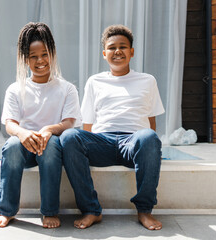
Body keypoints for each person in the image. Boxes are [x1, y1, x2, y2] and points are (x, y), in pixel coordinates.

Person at [60, 24, 165, 230]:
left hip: (133, 142)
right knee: (69, 136)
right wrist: (82, 149)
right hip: (102, 142)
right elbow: (87, 123)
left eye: (123, 47)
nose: (117, 51)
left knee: (149, 137)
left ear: (132, 52)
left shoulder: (147, 80)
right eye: (112, 47)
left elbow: (151, 122)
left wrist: (150, 150)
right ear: (104, 53)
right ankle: (91, 210)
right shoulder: (94, 81)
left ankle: (144, 210)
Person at [0, 22, 81, 229]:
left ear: (53, 53)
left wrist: (49, 130)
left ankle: (49, 211)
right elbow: (10, 124)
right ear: (25, 59)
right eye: (33, 56)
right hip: (25, 146)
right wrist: (22, 134)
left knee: (49, 147)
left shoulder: (67, 89)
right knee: (12, 147)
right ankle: (6, 210)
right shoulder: (15, 89)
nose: (40, 60)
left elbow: (69, 122)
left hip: (51, 147)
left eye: (45, 54)